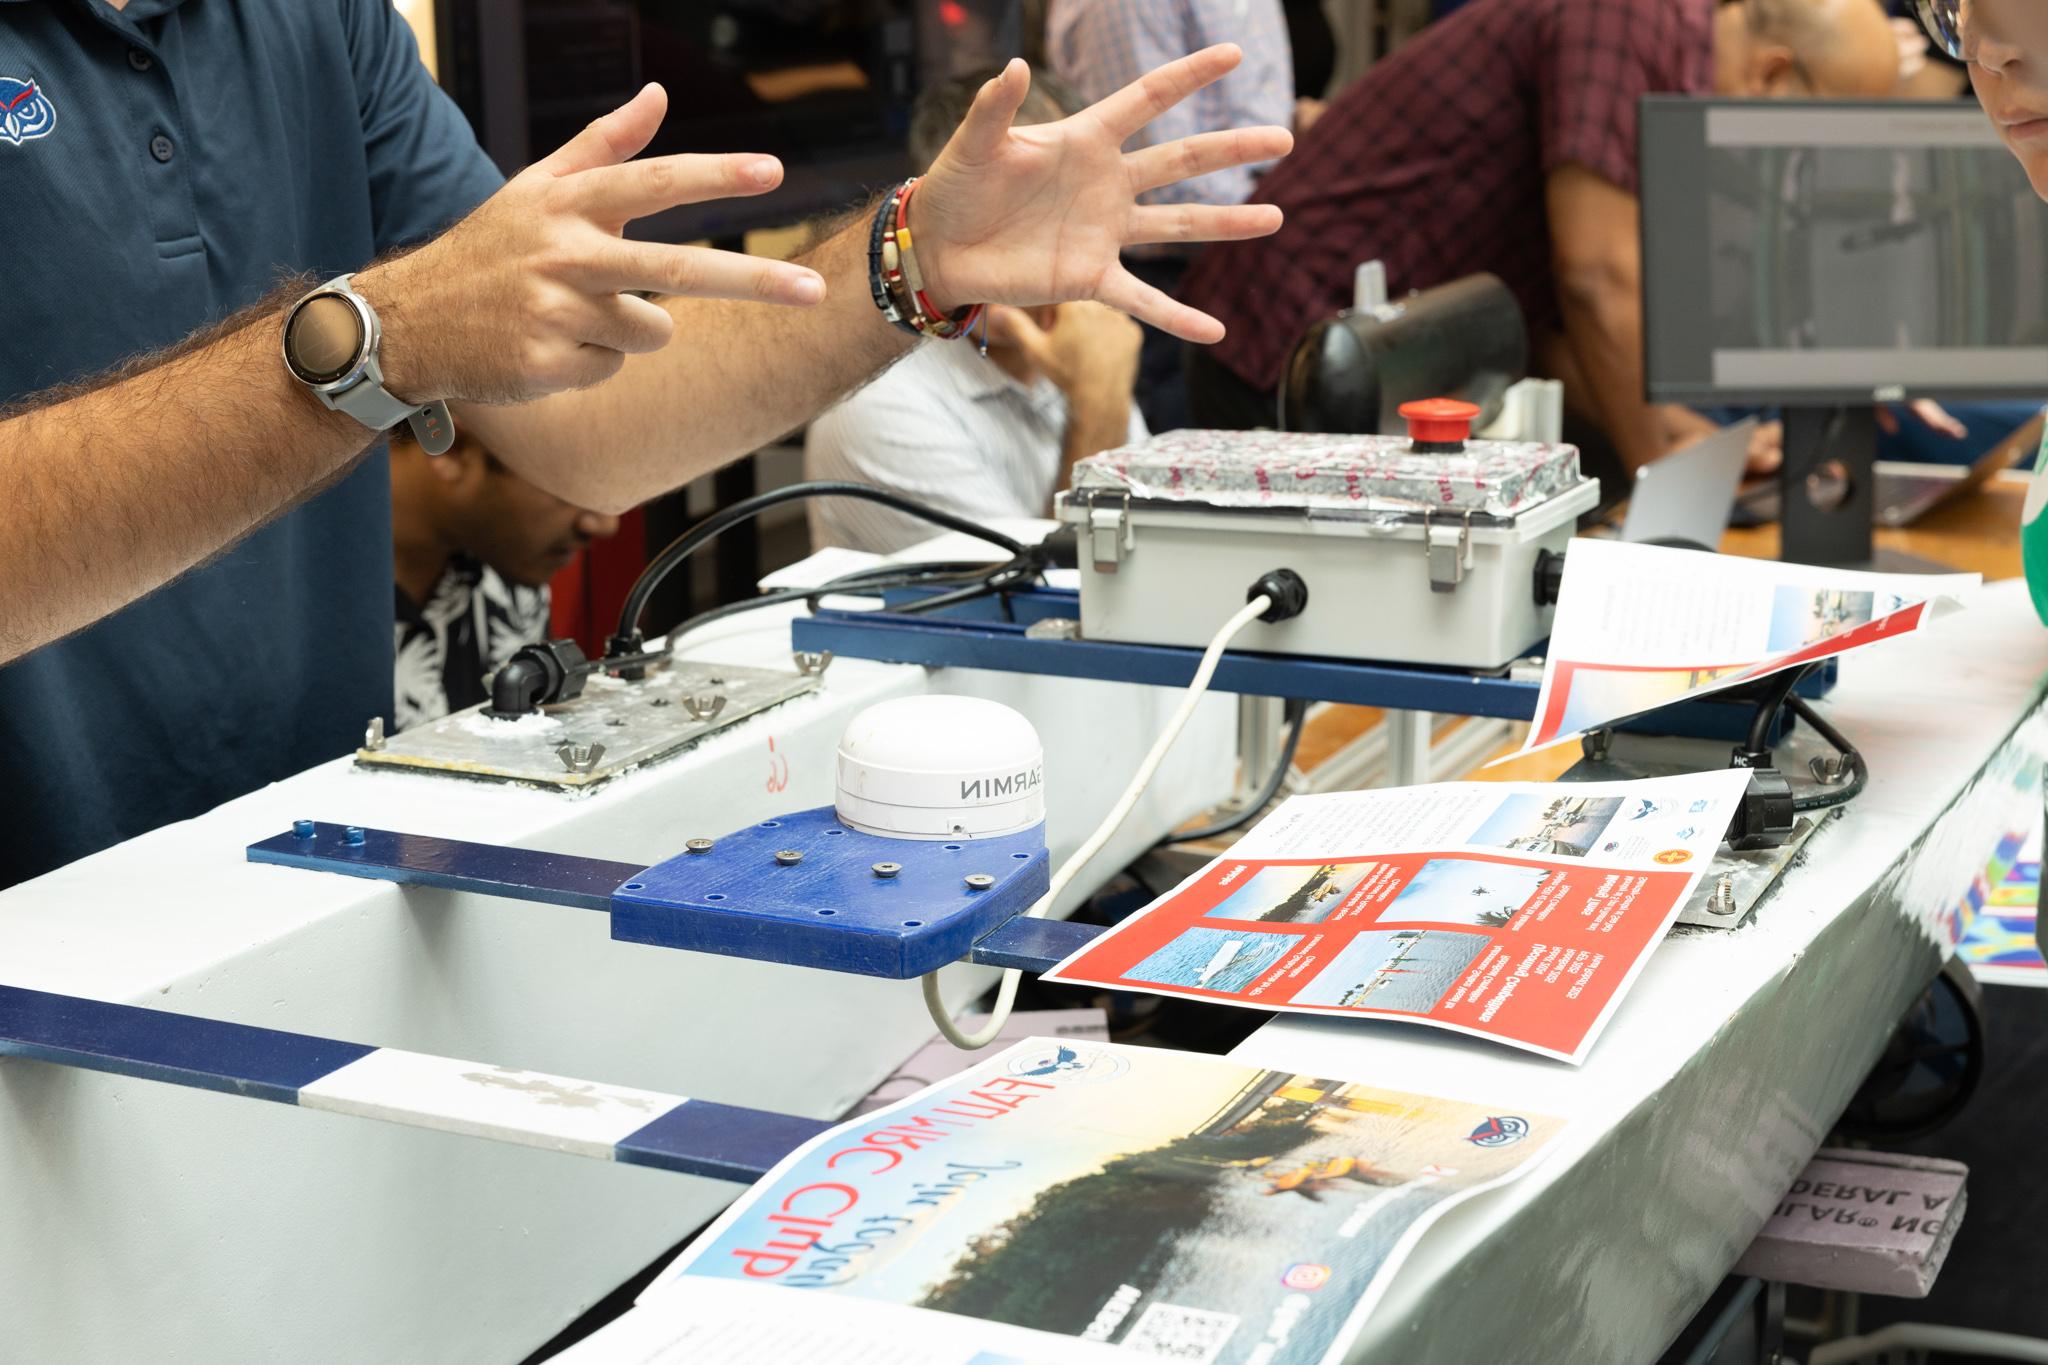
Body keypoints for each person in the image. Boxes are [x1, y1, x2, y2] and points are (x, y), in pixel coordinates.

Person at [0, 4, 1290, 888]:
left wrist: (912, 258)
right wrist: (366, 343)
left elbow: (588, 428)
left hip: (296, 857)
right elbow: (402, 333)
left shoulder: (318, 24)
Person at [1176, 0, 1901, 480]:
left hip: (1381, 352)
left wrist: (1688, 438)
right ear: (1771, 75)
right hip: (1290, 338)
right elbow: (1595, 278)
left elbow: (1557, 317)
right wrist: (1671, 479)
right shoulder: (1626, 16)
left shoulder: (1668, 68)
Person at [806, 69, 1146, 555]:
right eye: (1008, 205)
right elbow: (1032, 599)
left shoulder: (1077, 344)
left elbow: (1151, 545)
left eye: (1060, 199)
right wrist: (1099, 405)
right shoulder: (881, 404)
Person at [1047, 0, 1299, 431]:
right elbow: (1156, 175)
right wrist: (1292, 213)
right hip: (1173, 268)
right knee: (1184, 476)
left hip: (1249, 242)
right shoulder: (1128, 7)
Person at [389, 424, 619, 731]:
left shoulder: (508, 567)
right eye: (572, 484)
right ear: (453, 450)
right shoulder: (309, 603)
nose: (606, 524)